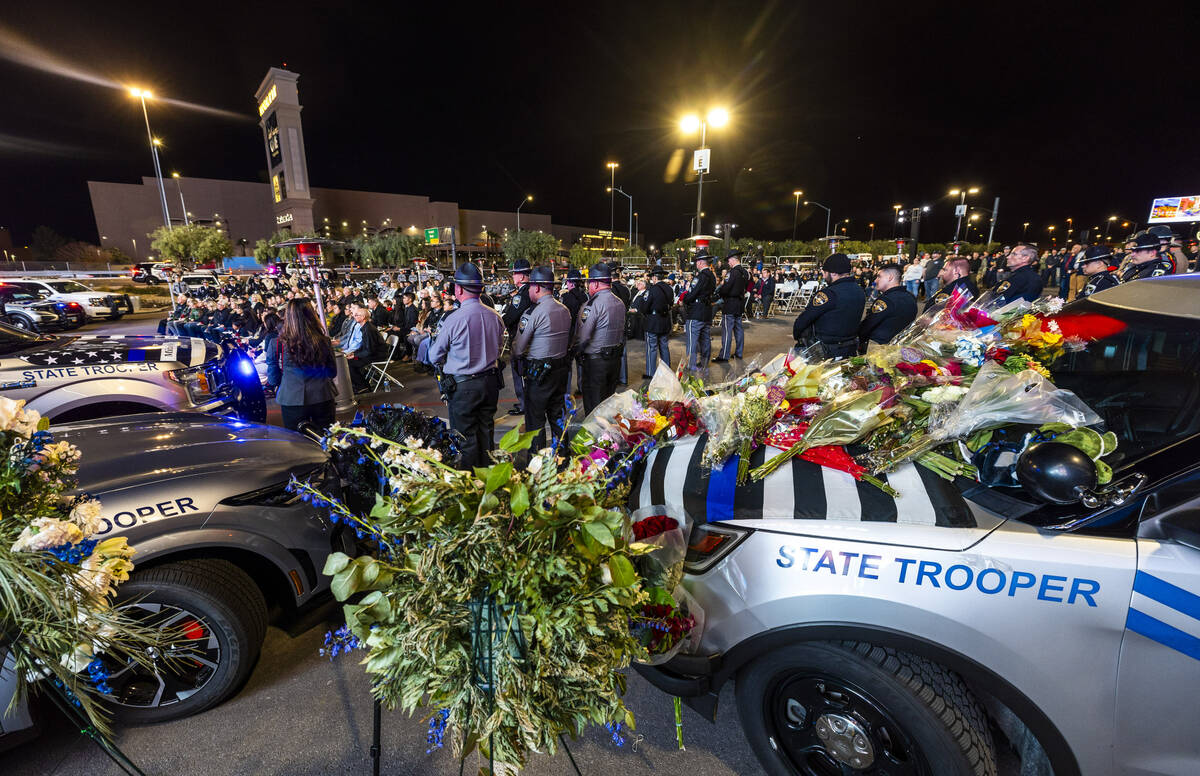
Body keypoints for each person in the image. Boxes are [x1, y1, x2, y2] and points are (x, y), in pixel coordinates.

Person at [428, 263, 505, 469]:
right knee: (486, 432)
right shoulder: (495, 316)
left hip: (463, 387)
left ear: (459, 289)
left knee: (465, 438)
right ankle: (490, 478)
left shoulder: (453, 319)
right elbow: (499, 349)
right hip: (489, 382)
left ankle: (471, 486)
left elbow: (434, 356)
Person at [510, 266, 572, 451]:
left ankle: (537, 463)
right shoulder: (564, 310)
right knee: (558, 418)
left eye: (529, 287)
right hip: (560, 371)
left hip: (539, 375)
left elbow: (518, 349)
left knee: (535, 422)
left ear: (536, 288)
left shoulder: (533, 313)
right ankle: (562, 458)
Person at [266, 299, 337, 432]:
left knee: (298, 443)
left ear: (288, 317)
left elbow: (273, 378)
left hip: (291, 397)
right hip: (322, 395)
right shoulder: (323, 341)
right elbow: (332, 372)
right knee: (327, 439)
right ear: (312, 315)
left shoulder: (277, 343)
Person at [574, 262, 626, 414]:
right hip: (615, 360)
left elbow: (583, 337)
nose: (588, 287)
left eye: (589, 283)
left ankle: (596, 437)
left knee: (594, 408)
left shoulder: (592, 305)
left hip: (596, 362)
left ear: (595, 283)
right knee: (608, 404)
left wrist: (575, 352)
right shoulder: (619, 302)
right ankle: (608, 436)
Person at [792, 253, 866, 358]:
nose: (824, 275)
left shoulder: (829, 293)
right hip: (850, 349)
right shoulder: (859, 291)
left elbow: (804, 319)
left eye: (825, 272)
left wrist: (797, 334)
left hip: (826, 351)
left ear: (834, 273)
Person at [857, 263, 917, 348]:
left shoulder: (886, 300)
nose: (875, 280)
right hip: (901, 347)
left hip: (879, 348)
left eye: (879, 276)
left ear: (890, 277)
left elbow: (869, 324)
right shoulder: (910, 297)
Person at [501, 258, 534, 416]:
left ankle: (524, 405)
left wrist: (502, 320)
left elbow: (510, 317)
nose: (513, 277)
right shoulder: (533, 291)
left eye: (514, 274)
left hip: (519, 339)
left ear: (521, 276)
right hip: (530, 339)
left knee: (519, 374)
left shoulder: (521, 295)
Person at [681, 250, 716, 370]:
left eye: (697, 261)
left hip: (696, 311)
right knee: (705, 339)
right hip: (706, 311)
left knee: (692, 341)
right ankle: (705, 363)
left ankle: (691, 365)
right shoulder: (712, 276)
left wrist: (685, 299)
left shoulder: (700, 277)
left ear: (701, 262)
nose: (696, 264)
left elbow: (691, 294)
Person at [714, 250, 749, 362]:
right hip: (739, 303)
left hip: (730, 304)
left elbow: (726, 288)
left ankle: (724, 355)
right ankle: (738, 353)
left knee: (727, 331)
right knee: (738, 330)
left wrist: (720, 292)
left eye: (729, 260)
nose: (728, 263)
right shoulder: (744, 272)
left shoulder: (732, 272)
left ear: (734, 260)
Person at [343, 302, 384, 394]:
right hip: (371, 353)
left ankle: (362, 386)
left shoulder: (368, 329)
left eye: (357, 315)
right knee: (348, 360)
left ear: (363, 317)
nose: (354, 316)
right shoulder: (365, 327)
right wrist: (354, 354)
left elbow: (370, 350)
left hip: (376, 355)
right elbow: (366, 348)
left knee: (349, 363)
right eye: (355, 315)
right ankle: (361, 384)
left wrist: (355, 355)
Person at [561, 268, 588, 396]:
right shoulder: (585, 296)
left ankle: (566, 391)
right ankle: (582, 387)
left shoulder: (566, 297)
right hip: (583, 333)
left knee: (568, 364)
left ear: (570, 283)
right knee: (581, 362)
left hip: (570, 335)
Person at [642, 267, 673, 378]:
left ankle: (651, 373)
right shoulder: (669, 288)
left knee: (652, 348)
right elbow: (671, 303)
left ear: (654, 277)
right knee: (664, 346)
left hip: (653, 322)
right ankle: (667, 371)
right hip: (665, 320)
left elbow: (645, 307)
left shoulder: (652, 289)